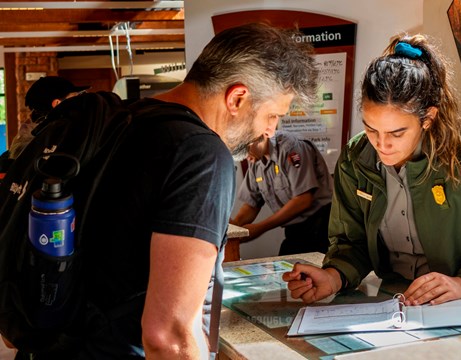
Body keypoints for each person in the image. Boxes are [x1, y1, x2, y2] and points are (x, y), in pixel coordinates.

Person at [10, 23, 318, 359]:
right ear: (238, 98)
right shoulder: (200, 154)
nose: (271, 131)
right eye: (272, 115)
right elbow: (168, 335)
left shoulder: (123, 121)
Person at [283, 33, 461, 307]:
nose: (381, 144)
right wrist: (334, 277)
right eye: (371, 129)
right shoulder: (355, 158)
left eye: (397, 133)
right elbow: (351, 241)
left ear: (428, 118)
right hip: (399, 303)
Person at [231, 130, 333, 255]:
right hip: (294, 231)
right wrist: (234, 229)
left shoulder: (292, 148)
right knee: (284, 271)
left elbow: (303, 200)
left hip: (321, 227)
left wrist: (260, 228)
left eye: (246, 153)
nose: (248, 159)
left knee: (301, 271)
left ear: (258, 138)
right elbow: (252, 204)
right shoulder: (256, 159)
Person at [9, 76, 90, 159]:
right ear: (57, 103)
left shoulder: (29, 133)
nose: (77, 101)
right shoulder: (51, 139)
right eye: (74, 96)